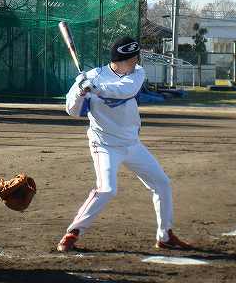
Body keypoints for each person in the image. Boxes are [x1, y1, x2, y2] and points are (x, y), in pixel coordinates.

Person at [56, 37, 192, 252]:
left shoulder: (136, 74)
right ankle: (73, 231)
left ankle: (165, 235)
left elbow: (124, 90)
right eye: (132, 58)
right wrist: (81, 92)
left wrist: (95, 88)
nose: (136, 61)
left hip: (132, 143)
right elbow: (72, 111)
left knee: (162, 183)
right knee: (107, 189)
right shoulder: (91, 77)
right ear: (119, 59)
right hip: (104, 144)